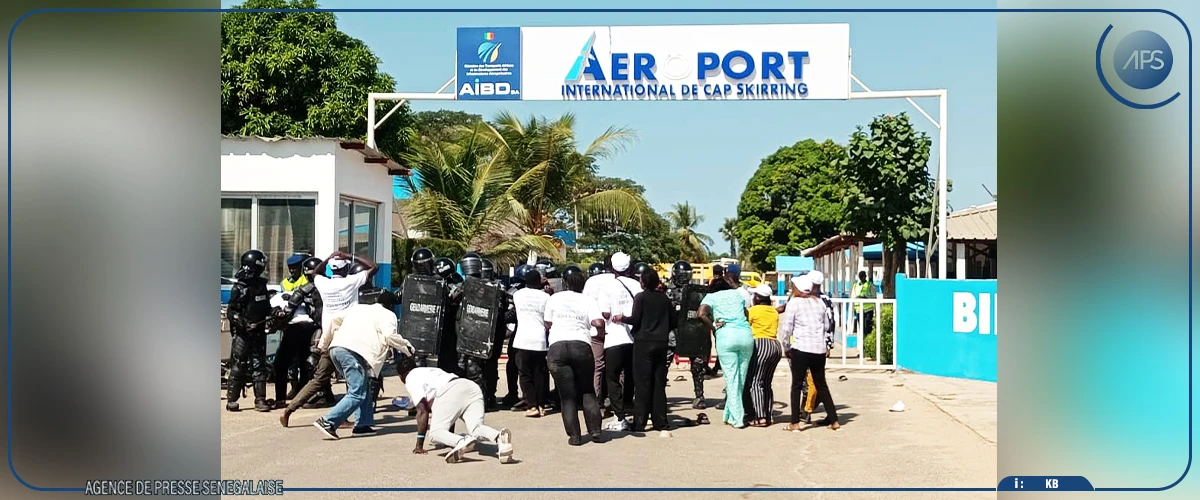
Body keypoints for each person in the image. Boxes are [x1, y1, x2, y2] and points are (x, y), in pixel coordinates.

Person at [311, 289, 415, 439]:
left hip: (337, 348)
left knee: (363, 387)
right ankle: (328, 421)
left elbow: (334, 320)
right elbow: (390, 336)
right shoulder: (388, 315)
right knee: (357, 392)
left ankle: (363, 425)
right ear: (390, 305)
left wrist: (323, 345)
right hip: (352, 352)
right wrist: (408, 348)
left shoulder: (358, 309)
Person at [400, 357, 515, 464]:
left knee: (435, 433)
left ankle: (461, 441)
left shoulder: (410, 378)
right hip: (470, 387)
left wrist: (419, 445)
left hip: (450, 391)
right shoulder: (430, 371)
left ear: (401, 376)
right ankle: (499, 437)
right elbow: (449, 412)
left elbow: (422, 411)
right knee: (475, 429)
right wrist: (448, 437)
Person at [544, 265, 608, 446]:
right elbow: (598, 322)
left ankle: (575, 436)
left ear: (565, 283)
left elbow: (547, 323)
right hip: (581, 346)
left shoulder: (554, 298)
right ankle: (595, 431)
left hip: (557, 348)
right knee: (587, 390)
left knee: (567, 396)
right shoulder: (587, 300)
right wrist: (600, 335)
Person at [615, 269, 676, 434]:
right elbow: (674, 321)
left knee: (642, 383)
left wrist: (622, 319)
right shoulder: (664, 299)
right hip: (661, 342)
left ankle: (640, 421)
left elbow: (636, 319)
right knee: (658, 382)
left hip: (643, 342)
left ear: (643, 282)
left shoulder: (641, 297)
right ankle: (660, 421)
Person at [778, 276, 840, 432]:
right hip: (818, 349)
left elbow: (787, 328)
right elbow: (826, 325)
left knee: (796, 386)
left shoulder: (794, 303)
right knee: (821, 385)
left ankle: (794, 423)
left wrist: (786, 345)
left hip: (801, 348)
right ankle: (834, 421)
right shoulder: (819, 303)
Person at [697, 264, 753, 428]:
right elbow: (746, 313)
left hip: (726, 336)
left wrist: (713, 326)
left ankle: (737, 418)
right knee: (740, 378)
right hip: (745, 335)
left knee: (731, 378)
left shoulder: (711, 298)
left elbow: (701, 314)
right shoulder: (737, 294)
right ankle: (729, 413)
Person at [226, 250, 274, 412]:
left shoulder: (261, 285)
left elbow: (266, 307)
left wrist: (275, 313)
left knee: (259, 365)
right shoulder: (239, 287)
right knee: (239, 364)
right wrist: (243, 323)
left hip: (259, 331)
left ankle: (260, 399)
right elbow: (231, 311)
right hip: (243, 333)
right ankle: (232, 399)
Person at [598, 253, 641, 431]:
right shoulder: (637, 285)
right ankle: (630, 404)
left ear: (611, 267)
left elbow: (605, 313)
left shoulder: (607, 286)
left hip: (614, 337)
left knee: (613, 377)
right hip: (634, 337)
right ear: (629, 267)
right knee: (631, 374)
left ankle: (619, 415)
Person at [511, 269, 551, 417]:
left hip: (522, 340)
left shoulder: (518, 295)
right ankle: (541, 404)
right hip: (540, 340)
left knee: (525, 375)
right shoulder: (546, 297)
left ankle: (532, 405)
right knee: (539, 374)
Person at [744, 283, 782, 427]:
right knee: (766, 383)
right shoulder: (773, 311)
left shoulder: (753, 311)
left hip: (761, 344)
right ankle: (768, 414)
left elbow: (745, 324)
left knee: (755, 382)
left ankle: (760, 417)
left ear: (758, 298)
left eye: (754, 296)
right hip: (775, 346)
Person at [852, 270, 877, 337]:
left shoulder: (870, 285)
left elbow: (874, 297)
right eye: (860, 276)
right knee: (862, 328)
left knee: (868, 328)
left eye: (863, 276)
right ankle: (864, 344)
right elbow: (853, 297)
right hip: (859, 310)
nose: (862, 278)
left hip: (868, 310)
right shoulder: (855, 285)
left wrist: (865, 298)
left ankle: (868, 343)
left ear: (865, 276)